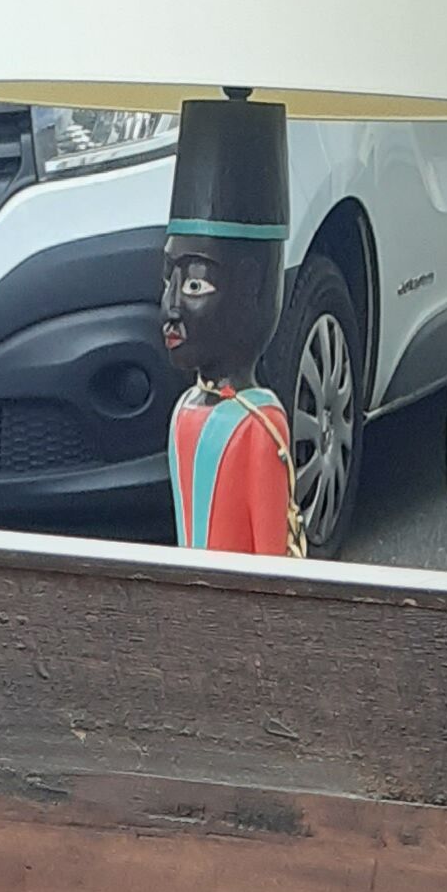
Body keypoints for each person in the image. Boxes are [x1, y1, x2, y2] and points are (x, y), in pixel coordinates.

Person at [161, 97, 300, 559]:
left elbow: (272, 566)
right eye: (170, 279)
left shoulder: (260, 426)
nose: (173, 304)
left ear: (253, 289)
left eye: (196, 283)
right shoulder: (185, 409)